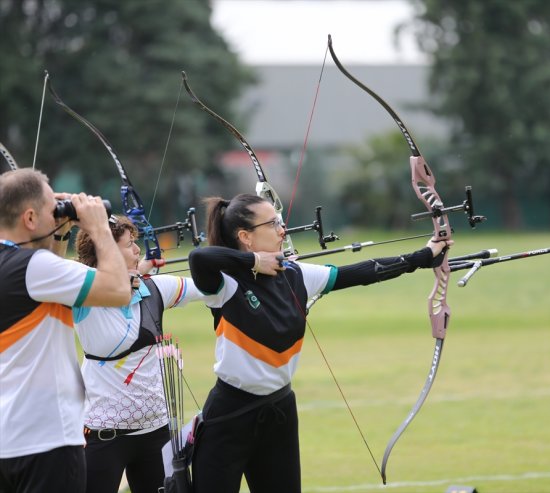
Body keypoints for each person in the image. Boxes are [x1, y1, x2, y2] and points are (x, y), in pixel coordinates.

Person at [188, 193, 451, 493]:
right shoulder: (225, 284)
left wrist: (423, 256)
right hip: (230, 415)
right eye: (272, 223)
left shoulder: (297, 274)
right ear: (246, 237)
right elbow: (198, 258)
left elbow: (363, 272)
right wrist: (254, 262)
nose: (282, 229)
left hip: (279, 411)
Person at [0, 168, 131, 493]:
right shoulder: (33, 268)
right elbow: (118, 290)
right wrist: (99, 228)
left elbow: (48, 281)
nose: (58, 212)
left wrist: (58, 234)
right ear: (30, 218)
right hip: (46, 441)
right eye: (51, 208)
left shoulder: (23, 269)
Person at [72, 214, 217, 493]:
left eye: (136, 242)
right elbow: (60, 269)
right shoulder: (83, 294)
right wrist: (116, 276)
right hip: (104, 434)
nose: (138, 250)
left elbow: (207, 287)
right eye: (129, 245)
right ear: (107, 252)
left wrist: (251, 263)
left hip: (156, 432)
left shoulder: (153, 288)